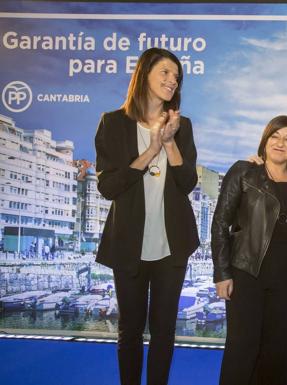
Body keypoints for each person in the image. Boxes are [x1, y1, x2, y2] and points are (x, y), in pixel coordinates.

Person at [95, 47, 199, 385]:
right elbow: (109, 186)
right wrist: (151, 150)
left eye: (176, 76)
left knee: (164, 331)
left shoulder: (183, 127)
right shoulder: (113, 123)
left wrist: (169, 143)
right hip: (128, 245)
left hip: (172, 246)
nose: (172, 80)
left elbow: (187, 184)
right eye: (165, 72)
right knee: (130, 330)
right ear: (144, 74)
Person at [211, 115, 287, 385]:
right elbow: (220, 223)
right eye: (275, 136)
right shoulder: (244, 171)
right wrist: (221, 272)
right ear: (265, 141)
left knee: (277, 352)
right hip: (246, 274)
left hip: (285, 280)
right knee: (243, 350)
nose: (281, 143)